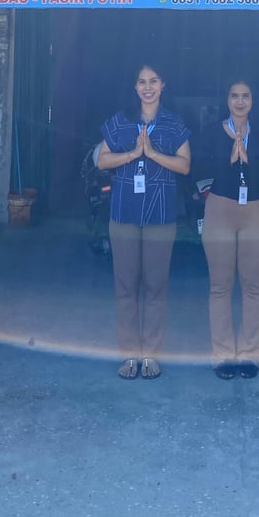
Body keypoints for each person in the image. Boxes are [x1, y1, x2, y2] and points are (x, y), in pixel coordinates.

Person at [94, 63, 191, 380]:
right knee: (125, 286)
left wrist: (152, 153)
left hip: (160, 215)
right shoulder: (120, 121)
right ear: (135, 87)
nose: (147, 87)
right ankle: (129, 354)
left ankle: (150, 353)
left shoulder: (174, 123)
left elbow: (185, 165)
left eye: (153, 81)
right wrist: (133, 154)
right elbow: (102, 160)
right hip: (124, 212)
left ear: (163, 85)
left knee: (155, 286)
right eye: (141, 82)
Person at [193, 79, 259, 379]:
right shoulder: (211, 132)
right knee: (220, 286)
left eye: (246, 96)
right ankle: (223, 354)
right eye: (234, 95)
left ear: (253, 100)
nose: (240, 101)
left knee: (252, 286)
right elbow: (196, 169)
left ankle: (250, 354)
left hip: (256, 211)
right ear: (226, 99)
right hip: (220, 209)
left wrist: (249, 161)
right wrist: (228, 160)